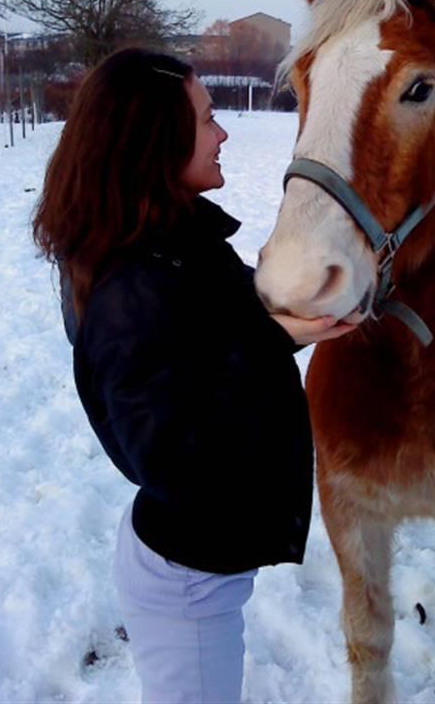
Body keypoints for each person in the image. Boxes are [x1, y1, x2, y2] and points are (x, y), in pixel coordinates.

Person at [32, 46, 354, 704]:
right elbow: (167, 454)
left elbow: (227, 327)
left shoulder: (172, 242)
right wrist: (269, 339)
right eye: (207, 119)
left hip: (199, 562)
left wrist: (307, 282)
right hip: (186, 582)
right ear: (154, 139)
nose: (224, 131)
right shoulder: (130, 286)